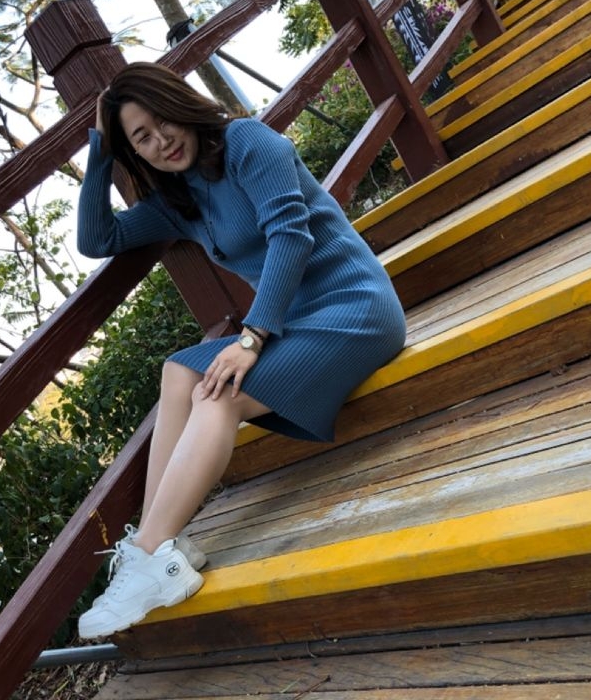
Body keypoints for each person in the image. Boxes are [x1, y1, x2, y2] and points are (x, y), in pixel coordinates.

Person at [76, 61, 406, 639]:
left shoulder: (246, 142)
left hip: (354, 305)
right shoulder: (177, 200)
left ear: (180, 105)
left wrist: (251, 340)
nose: (161, 142)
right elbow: (97, 238)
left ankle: (149, 553)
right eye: (141, 139)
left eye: (162, 122)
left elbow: (291, 234)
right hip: (292, 323)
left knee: (219, 394)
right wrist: (102, 154)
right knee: (180, 371)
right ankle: (161, 546)